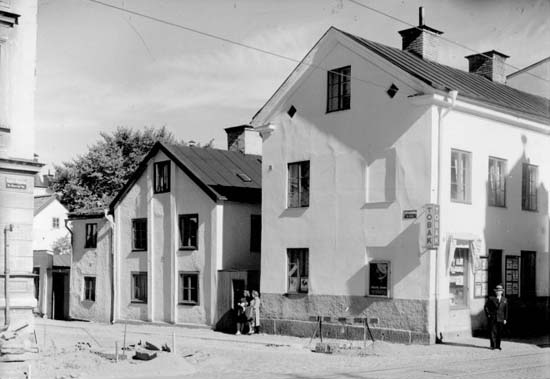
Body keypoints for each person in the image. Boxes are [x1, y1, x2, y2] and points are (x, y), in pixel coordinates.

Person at [484, 284, 508, 350]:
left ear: (502, 292)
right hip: (493, 318)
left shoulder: (504, 299)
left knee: (499, 332)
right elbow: (486, 307)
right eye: (497, 291)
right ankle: (493, 345)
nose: (498, 292)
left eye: (499, 291)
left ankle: (498, 345)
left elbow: (506, 310)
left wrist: (505, 319)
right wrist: (488, 315)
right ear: (495, 292)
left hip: (501, 318)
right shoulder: (491, 298)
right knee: (492, 332)